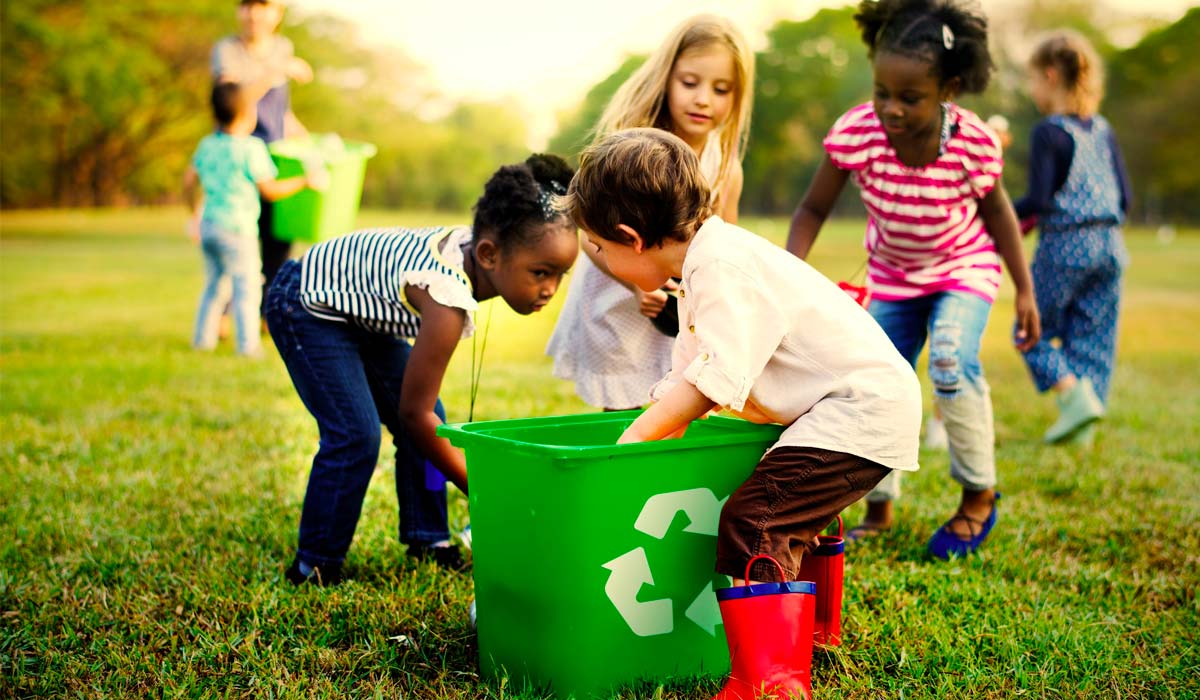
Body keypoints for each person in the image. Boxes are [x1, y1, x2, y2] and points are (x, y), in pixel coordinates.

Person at [565, 127, 920, 700]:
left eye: (599, 248)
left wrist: (632, 440)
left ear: (631, 238)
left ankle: (772, 680)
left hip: (859, 410)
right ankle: (813, 638)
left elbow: (712, 382)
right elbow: (688, 376)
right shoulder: (705, 264)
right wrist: (658, 431)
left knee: (756, 521)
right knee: (789, 513)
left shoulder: (721, 267)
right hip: (848, 408)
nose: (600, 259)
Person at [785, 0, 1041, 560]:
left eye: (910, 97)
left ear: (948, 89)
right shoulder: (858, 132)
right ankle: (879, 507)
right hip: (893, 277)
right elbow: (811, 209)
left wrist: (1024, 289)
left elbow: (999, 214)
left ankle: (978, 496)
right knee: (876, 381)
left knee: (949, 359)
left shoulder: (972, 142)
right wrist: (789, 275)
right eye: (882, 92)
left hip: (963, 267)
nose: (891, 109)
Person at [265, 155, 579, 585]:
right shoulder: (445, 298)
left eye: (561, 275)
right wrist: (480, 488)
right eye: (541, 273)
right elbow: (415, 414)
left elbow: (423, 416)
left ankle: (429, 539)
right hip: (305, 302)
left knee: (436, 425)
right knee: (356, 434)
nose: (550, 289)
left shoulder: (478, 249)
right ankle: (314, 565)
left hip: (360, 314)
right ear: (488, 254)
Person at [546, 14, 755, 410]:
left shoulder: (725, 168)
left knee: (676, 401)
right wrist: (637, 286)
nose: (703, 99)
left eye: (721, 89)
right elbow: (590, 234)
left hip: (677, 308)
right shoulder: (630, 150)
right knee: (623, 408)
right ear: (666, 79)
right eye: (689, 83)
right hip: (617, 296)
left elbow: (724, 251)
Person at [1014, 30, 1131, 446]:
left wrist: (996, 213)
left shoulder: (1049, 132)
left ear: (1050, 76)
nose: (1032, 90)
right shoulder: (1103, 129)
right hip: (1111, 246)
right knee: (1093, 338)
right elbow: (1126, 198)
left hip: (1066, 245)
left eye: (1032, 80)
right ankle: (1083, 429)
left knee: (1031, 331)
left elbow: (1038, 199)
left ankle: (1073, 399)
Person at [184, 82, 316, 357]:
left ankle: (202, 341)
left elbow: (188, 181)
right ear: (248, 114)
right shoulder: (251, 148)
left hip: (209, 225)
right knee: (247, 287)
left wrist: (193, 212)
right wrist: (304, 181)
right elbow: (270, 190)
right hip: (238, 229)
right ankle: (248, 347)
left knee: (214, 285)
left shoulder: (207, 145)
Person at [212, 0, 313, 314]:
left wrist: (309, 141)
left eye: (263, 5)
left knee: (278, 243)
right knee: (239, 241)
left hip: (275, 156)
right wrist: (276, 71)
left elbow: (281, 112)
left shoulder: (283, 47)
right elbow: (232, 103)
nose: (254, 13)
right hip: (237, 157)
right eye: (247, 5)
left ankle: (269, 314)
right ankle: (223, 313)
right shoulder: (227, 50)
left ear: (277, 12)